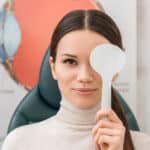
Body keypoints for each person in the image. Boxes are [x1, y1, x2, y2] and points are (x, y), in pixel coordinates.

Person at [2, 9, 150, 150]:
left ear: (116, 68)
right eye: (70, 62)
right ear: (53, 68)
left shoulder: (142, 145)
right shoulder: (19, 143)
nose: (84, 77)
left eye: (96, 62)